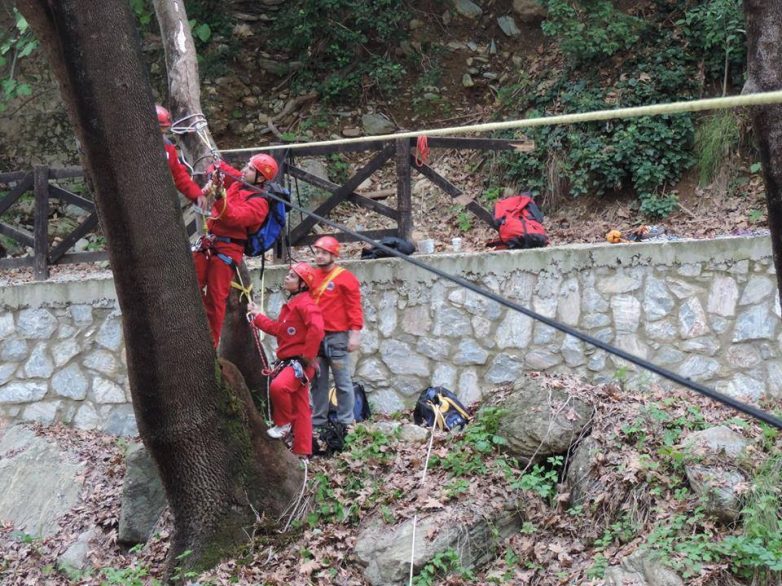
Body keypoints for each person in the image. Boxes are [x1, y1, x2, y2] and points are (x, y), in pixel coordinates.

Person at [193, 153, 278, 346]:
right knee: (190, 281)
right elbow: (221, 168)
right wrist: (215, 172)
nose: (243, 170)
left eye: (249, 168)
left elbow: (233, 217)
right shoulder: (240, 181)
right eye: (247, 165)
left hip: (228, 250)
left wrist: (219, 196)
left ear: (261, 178)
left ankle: (211, 344)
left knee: (216, 299)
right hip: (210, 243)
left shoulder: (260, 204)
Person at [248, 263, 324, 460]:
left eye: (292, 276)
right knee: (301, 408)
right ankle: (303, 451)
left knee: (279, 387)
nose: (287, 278)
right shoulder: (293, 306)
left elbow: (317, 328)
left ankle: (283, 424)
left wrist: (307, 355)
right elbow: (278, 329)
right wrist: (257, 317)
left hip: (299, 363)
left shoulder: (305, 304)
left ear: (302, 284)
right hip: (295, 362)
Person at [310, 236, 364, 429]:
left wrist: (355, 333)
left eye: (324, 253)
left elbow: (354, 307)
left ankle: (346, 422)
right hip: (316, 337)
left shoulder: (346, 278)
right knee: (318, 382)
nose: (319, 256)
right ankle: (318, 422)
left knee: (342, 382)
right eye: (317, 252)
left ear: (333, 255)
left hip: (337, 337)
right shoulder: (312, 276)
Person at [156, 104, 207, 210]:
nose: (163, 135)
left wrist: (196, 194)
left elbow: (178, 174)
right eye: (160, 130)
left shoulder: (168, 146)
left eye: (165, 131)